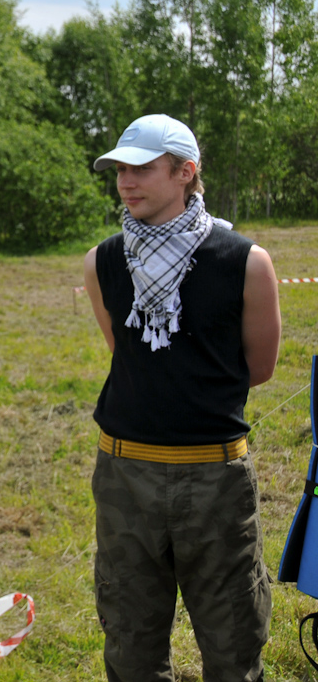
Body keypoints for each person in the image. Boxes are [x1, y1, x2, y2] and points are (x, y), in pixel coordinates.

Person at [83, 113, 281, 681]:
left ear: (185, 171)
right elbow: (127, 355)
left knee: (233, 643)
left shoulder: (245, 261)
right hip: (125, 476)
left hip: (215, 479)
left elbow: (257, 369)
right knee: (131, 645)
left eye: (141, 169)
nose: (125, 182)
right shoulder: (102, 261)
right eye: (119, 170)